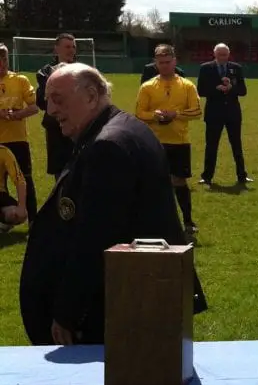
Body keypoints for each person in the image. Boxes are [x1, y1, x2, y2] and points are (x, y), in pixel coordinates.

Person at [20, 63, 207, 347]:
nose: (51, 111)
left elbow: (95, 240)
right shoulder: (121, 129)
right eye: (47, 101)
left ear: (92, 96)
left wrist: (68, 313)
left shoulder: (108, 146)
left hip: (118, 310)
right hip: (135, 300)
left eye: (58, 100)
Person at [135, 44, 202, 239]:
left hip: (179, 142)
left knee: (179, 181)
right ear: (155, 63)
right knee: (153, 183)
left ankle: (188, 221)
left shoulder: (187, 85)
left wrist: (176, 114)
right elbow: (139, 113)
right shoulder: (147, 87)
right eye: (160, 62)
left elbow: (197, 111)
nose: (164, 66)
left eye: (168, 62)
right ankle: (153, 222)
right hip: (154, 142)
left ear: (175, 61)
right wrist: (154, 116)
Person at [197, 43, 252, 186]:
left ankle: (242, 176)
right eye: (220, 54)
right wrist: (217, 89)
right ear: (214, 54)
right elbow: (201, 91)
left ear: (229, 54)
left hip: (233, 113)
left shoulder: (236, 68)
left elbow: (243, 91)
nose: (223, 57)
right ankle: (207, 176)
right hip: (214, 113)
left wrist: (231, 88)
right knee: (211, 146)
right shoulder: (205, 68)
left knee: (236, 145)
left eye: (225, 54)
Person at [0, 43, 40, 222]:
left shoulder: (20, 80)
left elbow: (34, 107)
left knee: (26, 179)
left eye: (4, 59)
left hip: (17, 140)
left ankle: (33, 220)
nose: (1, 63)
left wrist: (17, 115)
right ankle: (6, 219)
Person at [36, 33, 77, 178]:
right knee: (60, 178)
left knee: (80, 172)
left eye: (73, 47)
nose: (71, 50)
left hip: (78, 129)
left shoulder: (83, 71)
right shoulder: (45, 72)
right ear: (56, 49)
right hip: (56, 131)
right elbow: (41, 101)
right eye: (67, 46)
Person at [0, 143, 28, 233]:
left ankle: (3, 224)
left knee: (16, 214)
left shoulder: (4, 152)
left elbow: (20, 180)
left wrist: (22, 207)